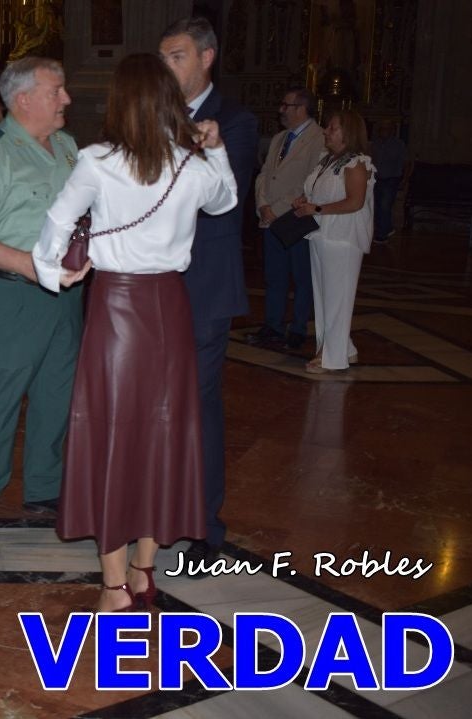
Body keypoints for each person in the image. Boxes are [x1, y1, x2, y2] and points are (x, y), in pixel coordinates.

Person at [34, 53, 237, 611]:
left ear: (121, 101)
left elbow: (56, 222)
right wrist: (215, 147)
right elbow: (227, 200)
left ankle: (114, 584)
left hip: (117, 308)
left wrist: (56, 271)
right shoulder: (192, 165)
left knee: (113, 433)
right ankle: (145, 571)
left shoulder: (98, 160)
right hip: (171, 305)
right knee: (159, 433)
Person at [0, 57, 83, 542]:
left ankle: (45, 487)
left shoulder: (70, 148)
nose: (67, 99)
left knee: (57, 392)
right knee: (2, 394)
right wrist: (28, 265)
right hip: (12, 293)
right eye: (58, 91)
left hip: (67, 295)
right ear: (24, 97)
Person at [159, 17, 257, 572]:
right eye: (163, 57)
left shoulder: (236, 122)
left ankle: (203, 521)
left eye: (176, 56)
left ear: (206, 57)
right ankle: (155, 506)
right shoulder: (154, 115)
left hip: (205, 287)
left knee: (198, 406)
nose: (166, 66)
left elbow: (221, 194)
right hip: (152, 285)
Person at [293, 109, 375, 374]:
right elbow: (319, 195)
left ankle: (331, 356)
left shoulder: (357, 163)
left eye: (332, 128)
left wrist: (316, 210)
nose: (326, 131)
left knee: (337, 298)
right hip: (321, 234)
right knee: (324, 297)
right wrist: (305, 202)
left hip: (342, 237)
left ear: (347, 132)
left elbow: (355, 201)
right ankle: (345, 348)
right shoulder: (327, 161)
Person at [246, 87, 325, 350]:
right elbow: (264, 174)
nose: (281, 109)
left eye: (286, 105)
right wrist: (263, 203)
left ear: (301, 109)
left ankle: (298, 328)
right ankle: (273, 326)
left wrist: (277, 208)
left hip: (295, 218)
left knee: (301, 277)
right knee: (274, 276)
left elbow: (311, 181)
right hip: (270, 217)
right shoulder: (280, 138)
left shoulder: (319, 139)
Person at [369, 119, 408, 244]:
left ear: (392, 131)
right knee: (377, 205)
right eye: (381, 129)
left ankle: (382, 235)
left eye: (386, 129)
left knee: (385, 205)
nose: (383, 131)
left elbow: (406, 163)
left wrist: (405, 179)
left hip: (391, 179)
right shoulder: (375, 143)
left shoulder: (399, 144)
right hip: (376, 179)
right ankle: (388, 227)